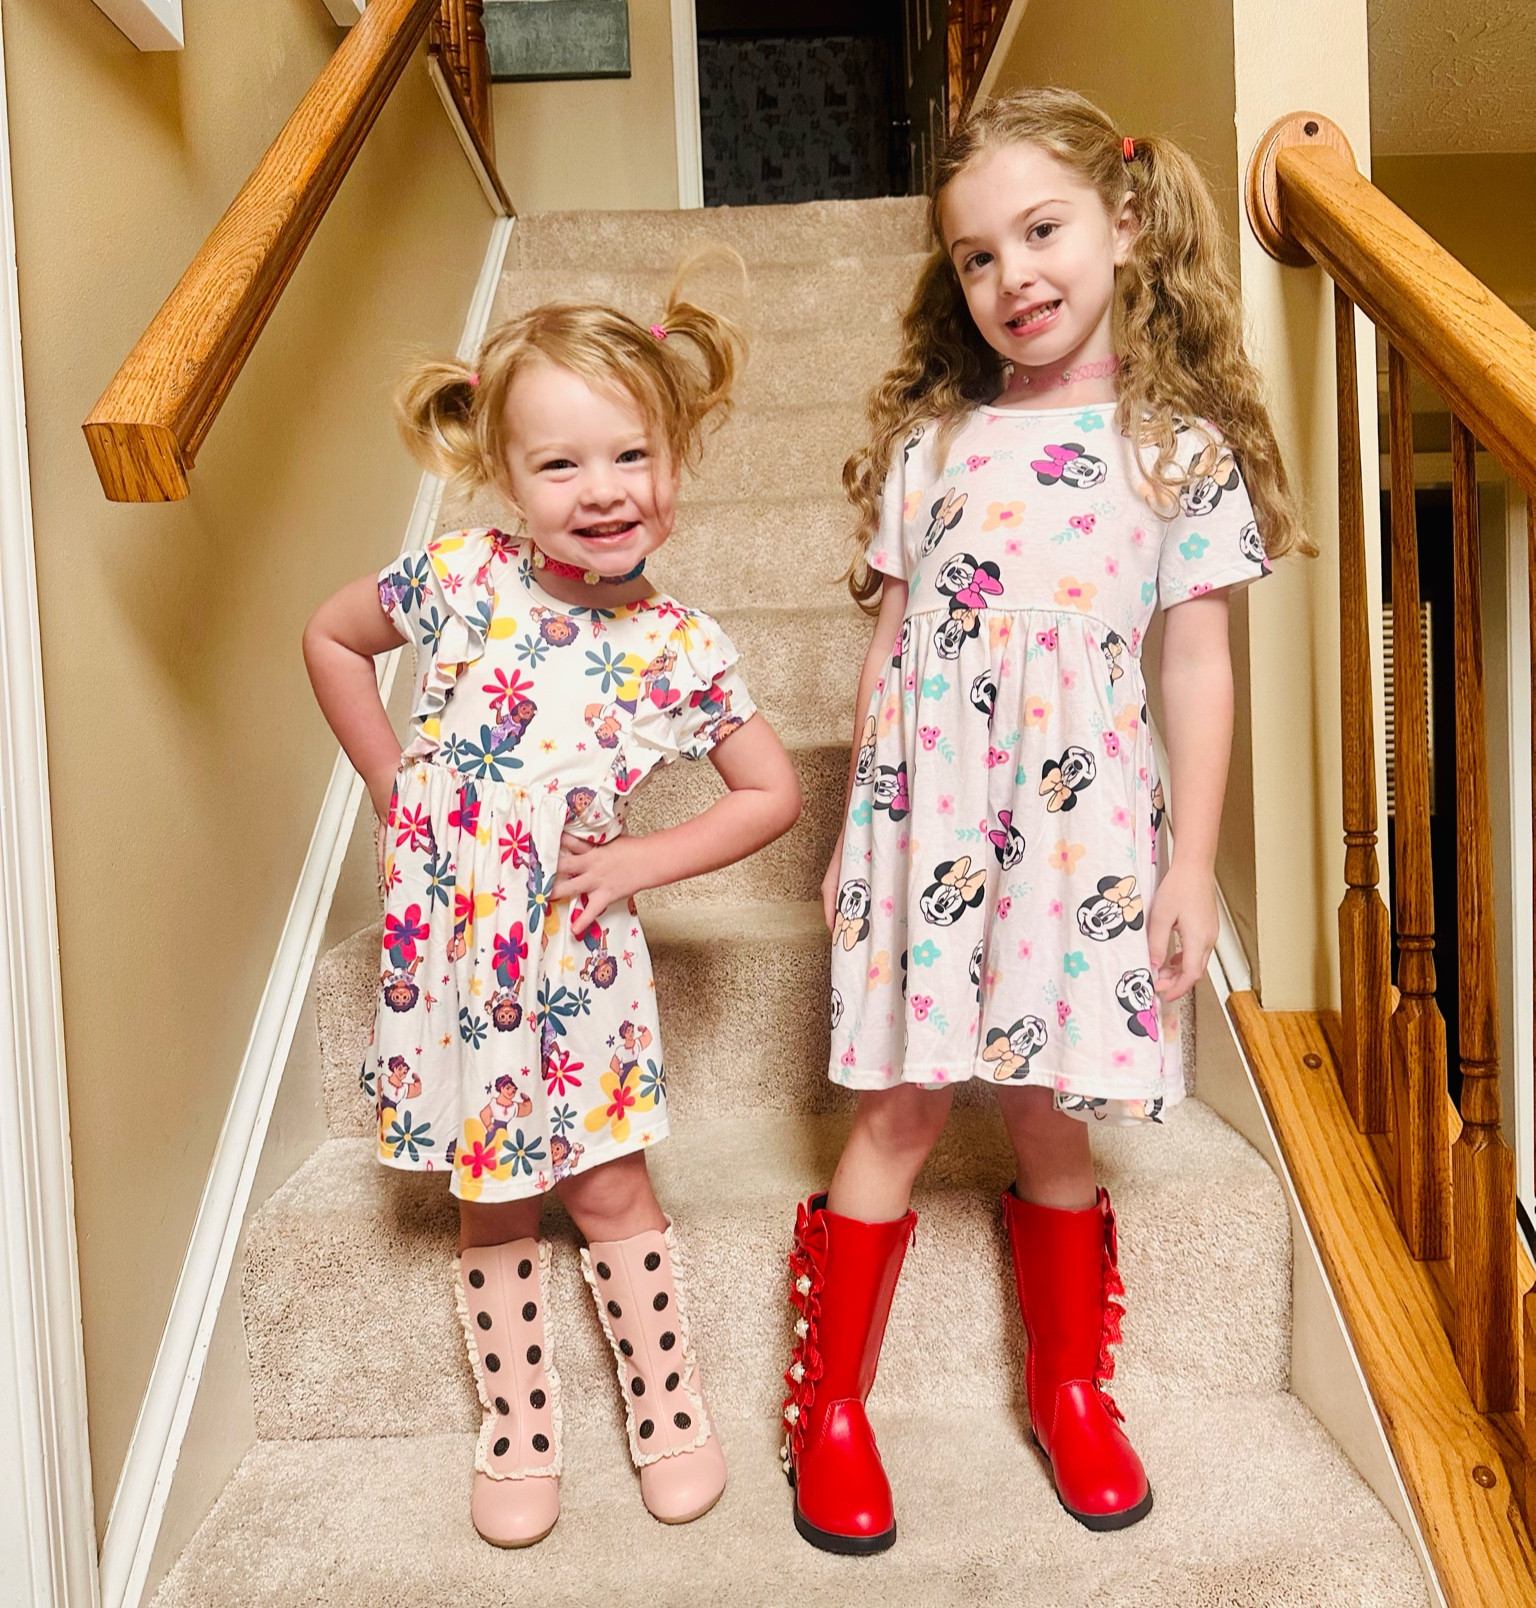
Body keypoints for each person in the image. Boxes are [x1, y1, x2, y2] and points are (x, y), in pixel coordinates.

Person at [780, 86, 1311, 1554]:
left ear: (1123, 224)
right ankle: (830, 1410)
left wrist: (1190, 865)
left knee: (1046, 1113)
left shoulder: (1176, 451)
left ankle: (1071, 1387)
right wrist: (854, 837)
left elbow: (1195, 668)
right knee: (900, 1106)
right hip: (929, 823)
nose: (1012, 275)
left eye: (1041, 231)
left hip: (1077, 845)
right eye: (976, 256)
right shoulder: (933, 450)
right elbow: (892, 651)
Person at [304, 272, 801, 1548]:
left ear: (676, 455)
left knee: (611, 1185)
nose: (603, 489)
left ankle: (670, 1408)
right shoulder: (464, 577)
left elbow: (771, 793)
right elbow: (330, 638)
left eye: (632, 453)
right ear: (504, 477)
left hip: (576, 958)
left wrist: (644, 863)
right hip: (459, 957)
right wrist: (392, 786)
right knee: (494, 1197)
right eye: (561, 463)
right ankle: (519, 1428)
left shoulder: (678, 645)